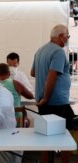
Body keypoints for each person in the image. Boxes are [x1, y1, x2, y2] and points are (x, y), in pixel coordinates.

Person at [31, 24, 75, 163]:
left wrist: (43, 97)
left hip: (46, 101)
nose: (67, 39)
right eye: (67, 36)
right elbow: (52, 75)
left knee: (47, 135)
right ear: (61, 36)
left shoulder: (40, 50)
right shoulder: (58, 52)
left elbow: (33, 72)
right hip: (55, 102)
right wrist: (46, 97)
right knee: (64, 135)